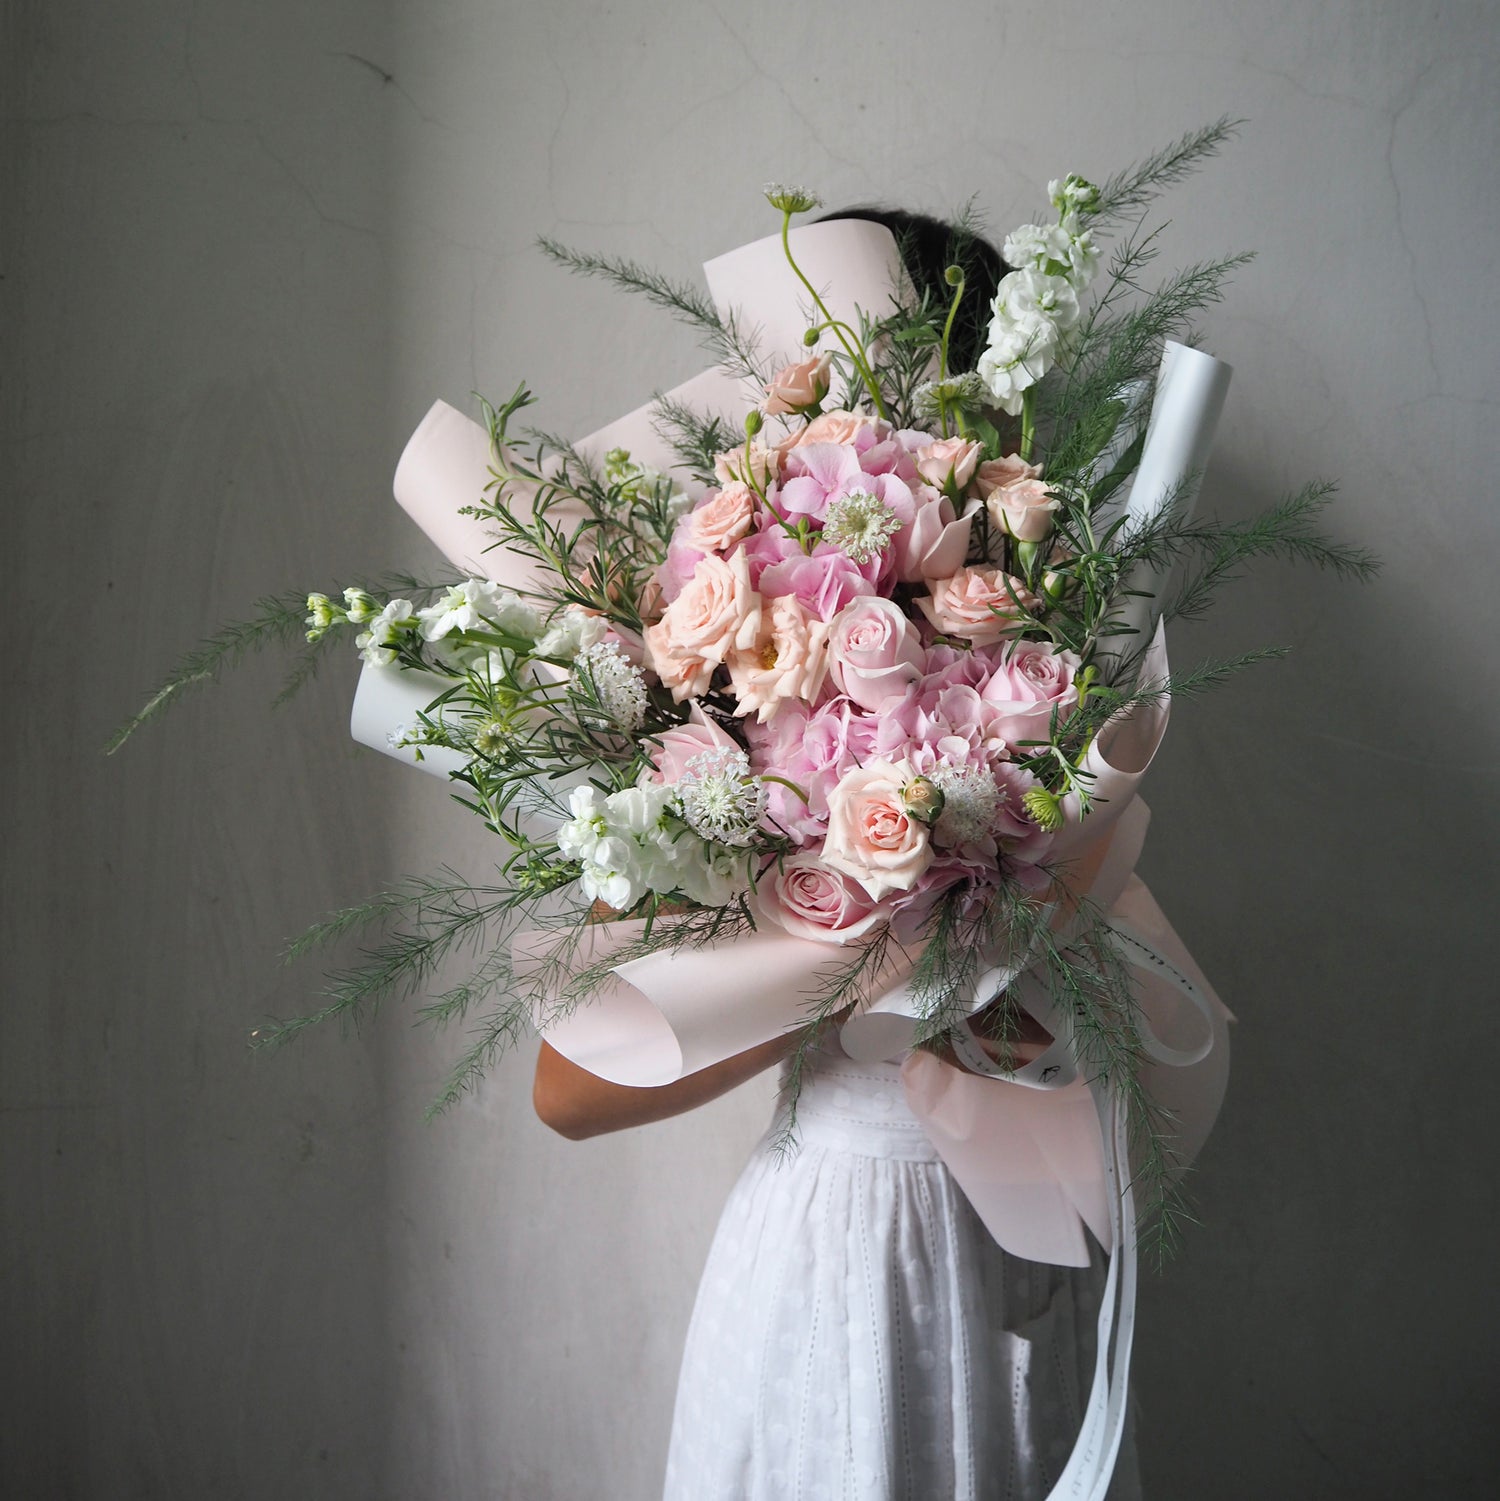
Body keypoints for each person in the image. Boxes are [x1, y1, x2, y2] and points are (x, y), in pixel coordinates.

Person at [532, 210, 1143, 1501]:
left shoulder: (1064, 649)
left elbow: (1059, 993)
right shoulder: (708, 692)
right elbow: (572, 1088)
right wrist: (868, 943)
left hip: (1026, 1233)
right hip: (839, 1251)